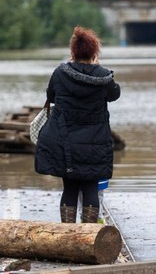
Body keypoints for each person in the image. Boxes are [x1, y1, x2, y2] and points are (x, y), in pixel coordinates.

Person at [34, 26, 121, 223]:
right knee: (90, 186)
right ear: (94, 52)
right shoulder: (104, 76)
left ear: (73, 51)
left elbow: (51, 96)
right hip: (95, 142)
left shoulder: (60, 73)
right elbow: (114, 95)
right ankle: (89, 236)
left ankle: (68, 235)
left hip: (66, 141)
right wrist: (97, 67)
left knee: (70, 188)